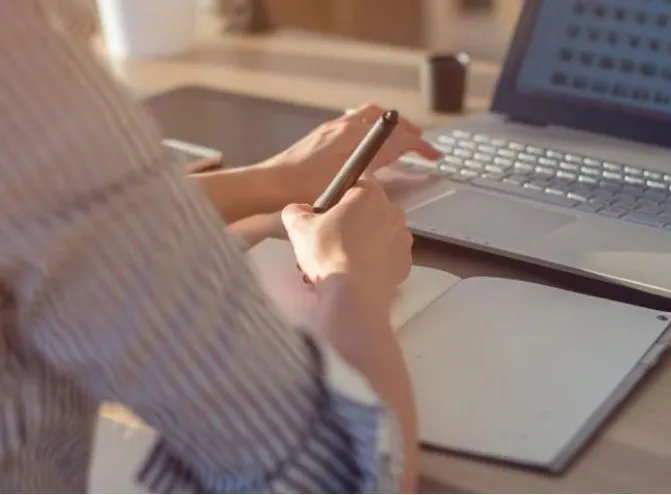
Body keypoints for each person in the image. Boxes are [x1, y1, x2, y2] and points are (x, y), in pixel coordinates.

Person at [0, 0, 442, 492]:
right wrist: (351, 280)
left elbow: (33, 215)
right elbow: (340, 482)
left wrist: (267, 181)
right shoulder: (21, 64)